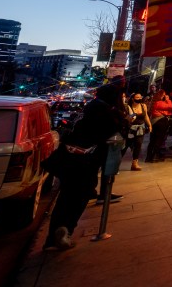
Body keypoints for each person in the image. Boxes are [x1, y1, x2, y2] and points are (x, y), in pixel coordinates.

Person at [43, 83, 126, 250]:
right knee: (81, 195)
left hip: (68, 159)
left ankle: (53, 237)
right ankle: (66, 230)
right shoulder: (107, 113)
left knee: (65, 197)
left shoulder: (89, 108)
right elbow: (117, 135)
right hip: (86, 161)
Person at [123, 93, 151, 171]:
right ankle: (116, 163)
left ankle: (135, 163)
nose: (139, 98)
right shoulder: (128, 107)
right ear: (133, 98)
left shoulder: (143, 106)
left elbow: (146, 116)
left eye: (140, 97)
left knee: (138, 144)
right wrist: (133, 116)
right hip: (130, 129)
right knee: (126, 146)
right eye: (137, 97)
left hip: (140, 129)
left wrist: (149, 125)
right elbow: (127, 117)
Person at [146, 89, 172, 162]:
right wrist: (168, 100)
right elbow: (170, 107)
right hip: (160, 121)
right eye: (164, 95)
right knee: (159, 140)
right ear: (161, 95)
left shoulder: (153, 102)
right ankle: (154, 156)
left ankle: (149, 157)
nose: (165, 96)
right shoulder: (159, 103)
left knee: (152, 140)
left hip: (154, 122)